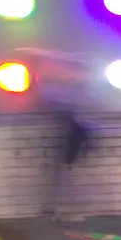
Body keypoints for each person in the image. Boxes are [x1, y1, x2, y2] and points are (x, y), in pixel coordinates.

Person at [20, 49, 91, 220]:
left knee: (65, 179)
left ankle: (61, 212)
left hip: (67, 149)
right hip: (67, 148)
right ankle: (61, 212)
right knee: (65, 179)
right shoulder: (70, 103)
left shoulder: (66, 104)